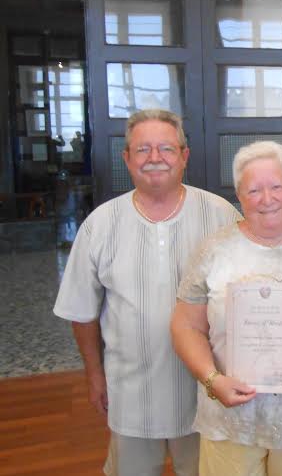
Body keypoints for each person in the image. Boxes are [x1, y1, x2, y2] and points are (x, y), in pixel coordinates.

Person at [54, 109, 240, 476]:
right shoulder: (100, 225)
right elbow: (81, 311)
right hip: (131, 396)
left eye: (166, 149)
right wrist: (94, 375)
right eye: (143, 149)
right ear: (127, 158)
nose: (155, 158)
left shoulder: (220, 216)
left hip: (205, 392)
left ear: (184, 156)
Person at [171, 141, 282, 476]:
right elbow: (185, 326)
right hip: (230, 416)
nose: (267, 199)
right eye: (254, 190)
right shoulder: (214, 249)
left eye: (277, 186)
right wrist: (211, 379)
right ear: (239, 195)